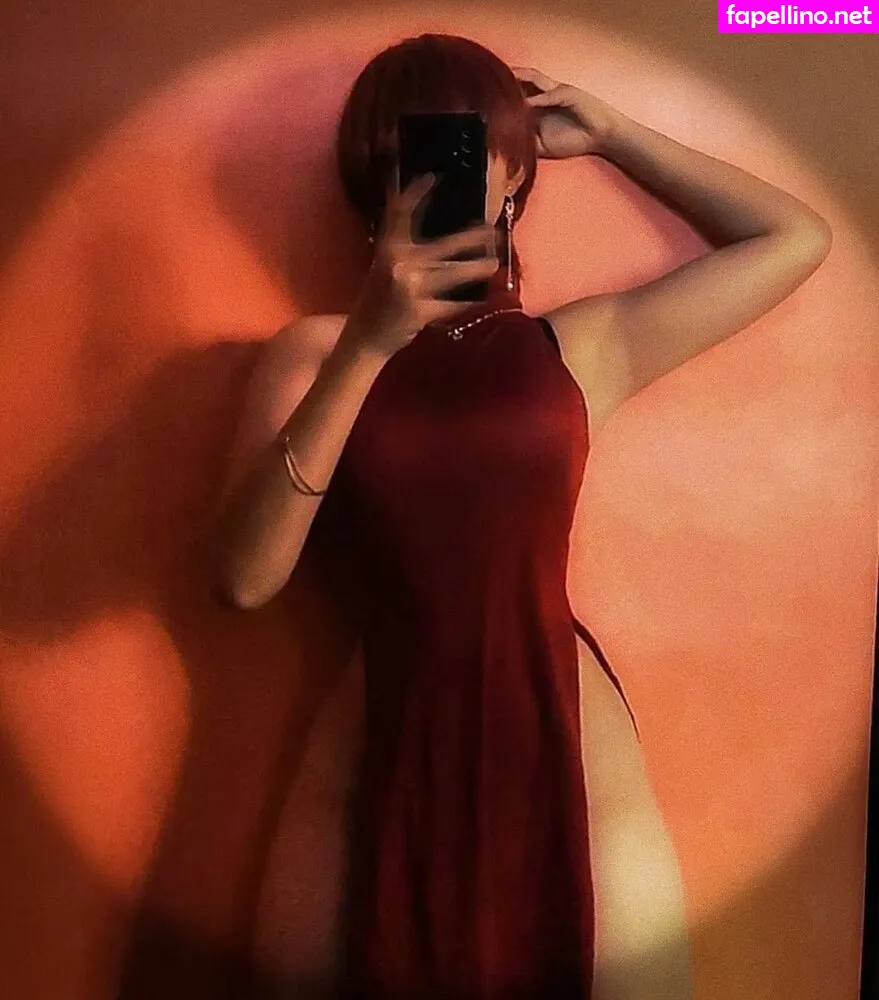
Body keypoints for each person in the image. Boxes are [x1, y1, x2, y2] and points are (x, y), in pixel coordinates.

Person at [210, 32, 831, 999]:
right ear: (372, 176)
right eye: (410, 147)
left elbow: (793, 238)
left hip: (570, 753)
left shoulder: (577, 348)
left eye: (466, 143)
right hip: (380, 752)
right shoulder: (316, 354)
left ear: (510, 172)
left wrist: (616, 135)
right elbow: (245, 581)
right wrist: (370, 343)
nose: (439, 172)